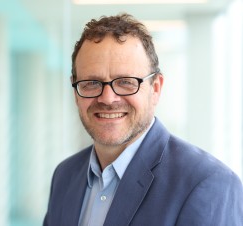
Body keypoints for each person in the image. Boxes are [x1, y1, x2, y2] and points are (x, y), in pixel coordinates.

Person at [43, 13, 243, 226]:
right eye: (91, 83)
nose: (108, 99)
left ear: (155, 89)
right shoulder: (65, 176)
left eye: (126, 82)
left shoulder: (208, 184)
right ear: (75, 91)